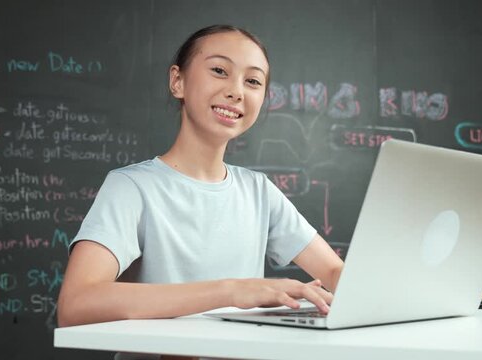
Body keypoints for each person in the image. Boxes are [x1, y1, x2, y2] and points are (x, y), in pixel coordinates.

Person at [57, 25, 344, 328]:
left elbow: (335, 273)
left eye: (253, 81)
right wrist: (231, 291)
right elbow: (76, 304)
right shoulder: (131, 188)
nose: (236, 91)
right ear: (177, 81)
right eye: (219, 70)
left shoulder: (258, 191)